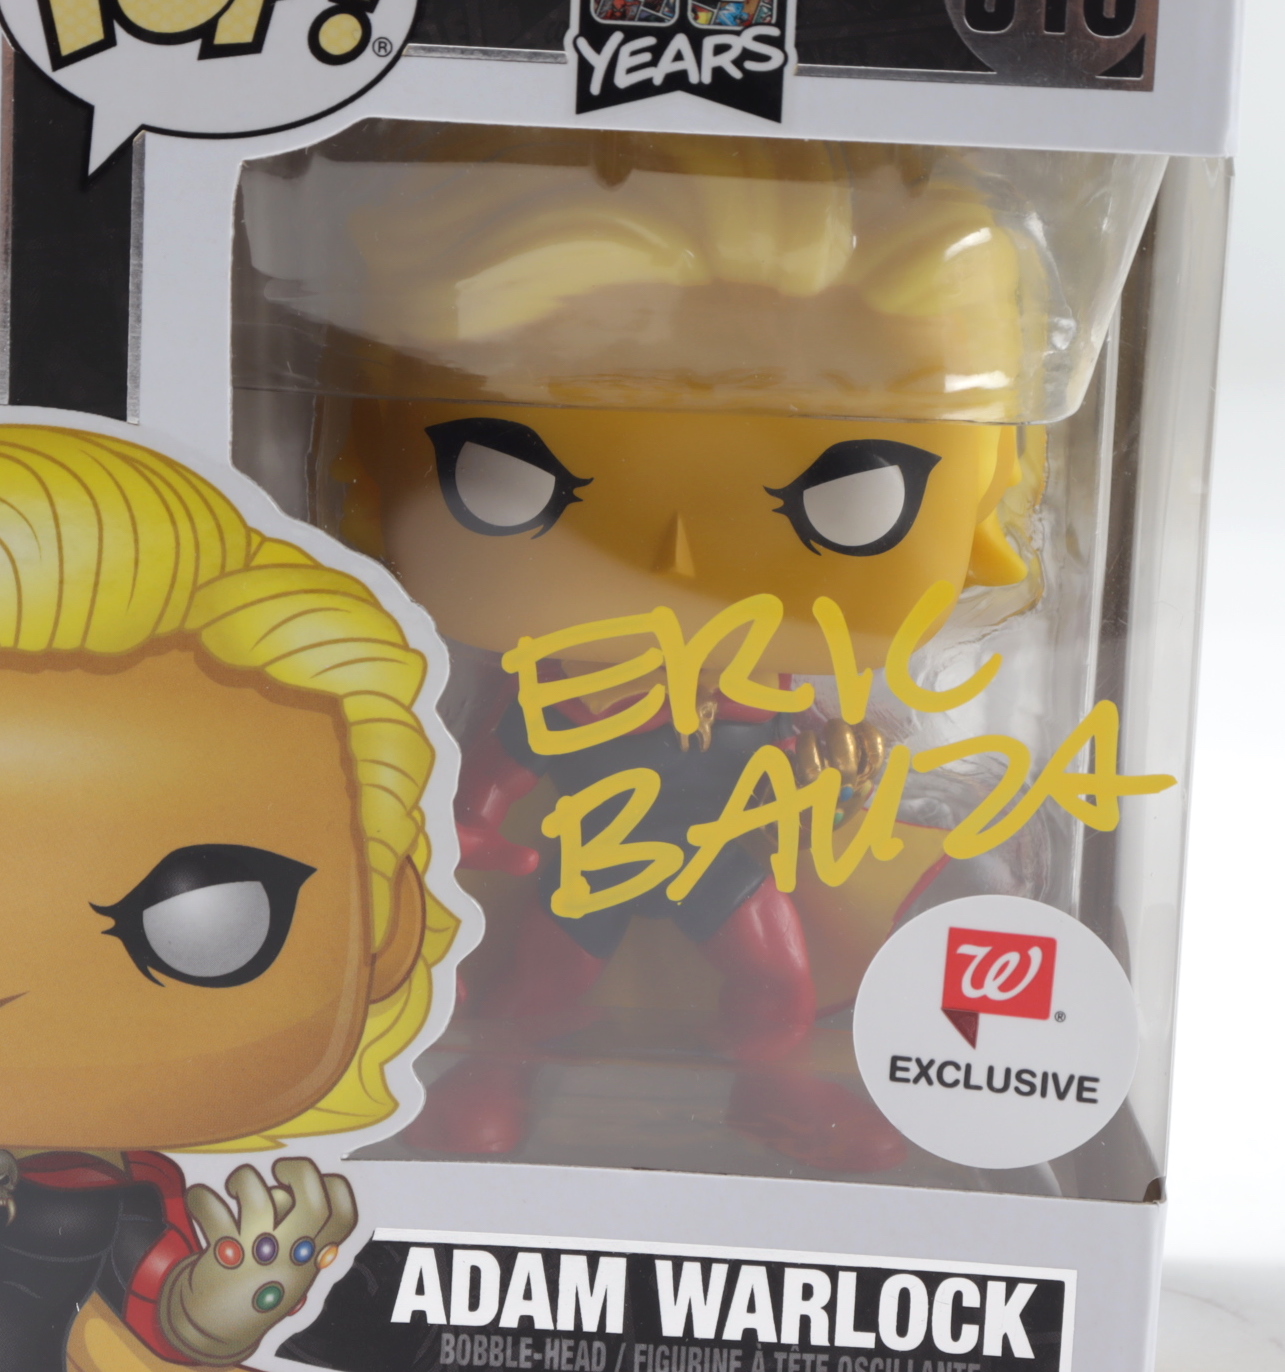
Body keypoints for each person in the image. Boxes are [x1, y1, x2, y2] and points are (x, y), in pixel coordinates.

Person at [314, 130, 1040, 1173]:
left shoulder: (768, 687)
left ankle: (767, 1085)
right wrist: (462, 825)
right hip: (593, 863)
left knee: (776, 988)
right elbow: (501, 760)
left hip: (726, 865)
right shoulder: (567, 687)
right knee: (537, 989)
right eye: (507, 478)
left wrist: (844, 769)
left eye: (850, 499)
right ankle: (490, 1073)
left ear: (993, 482)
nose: (677, 561)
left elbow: (820, 773)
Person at [0, 425, 458, 1371]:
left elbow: (173, 1314)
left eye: (204, 920)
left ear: (384, 931)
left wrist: (233, 1300)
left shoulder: (108, 1192)